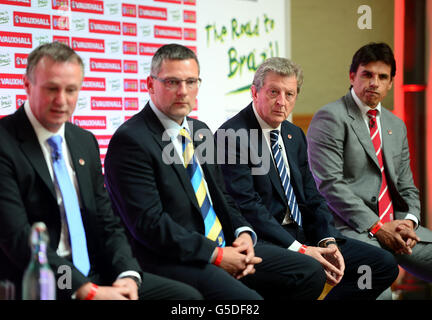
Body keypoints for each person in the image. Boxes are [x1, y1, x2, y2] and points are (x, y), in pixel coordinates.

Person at [104, 43, 328, 300]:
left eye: (191, 82)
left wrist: (243, 233)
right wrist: (217, 255)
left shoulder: (199, 131)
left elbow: (222, 196)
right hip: (175, 257)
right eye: (172, 82)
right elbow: (150, 225)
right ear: (150, 84)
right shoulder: (132, 140)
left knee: (309, 271)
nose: (183, 91)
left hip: (223, 245)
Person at [0, 42, 202, 300]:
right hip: (43, 279)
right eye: (52, 89)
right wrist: (84, 290)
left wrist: (127, 274)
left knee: (187, 299)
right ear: (27, 85)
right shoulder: (5, 143)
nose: (62, 100)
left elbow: (107, 221)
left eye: (71, 90)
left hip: (95, 272)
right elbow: (16, 239)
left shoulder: (84, 141)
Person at [216, 56, 399, 299]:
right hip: (266, 239)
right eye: (273, 92)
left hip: (305, 233)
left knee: (383, 264)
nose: (282, 102)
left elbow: (313, 196)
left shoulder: (293, 134)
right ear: (254, 92)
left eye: (289, 94)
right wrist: (300, 249)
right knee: (311, 269)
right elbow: (248, 207)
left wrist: (327, 241)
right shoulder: (231, 136)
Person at [306, 42, 432, 287]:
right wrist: (378, 226)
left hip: (399, 228)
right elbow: (330, 186)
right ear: (352, 76)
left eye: (382, 77)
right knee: (377, 285)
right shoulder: (330, 117)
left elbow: (407, 187)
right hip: (352, 228)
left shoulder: (396, 125)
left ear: (390, 83)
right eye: (367, 74)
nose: (374, 82)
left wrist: (409, 222)